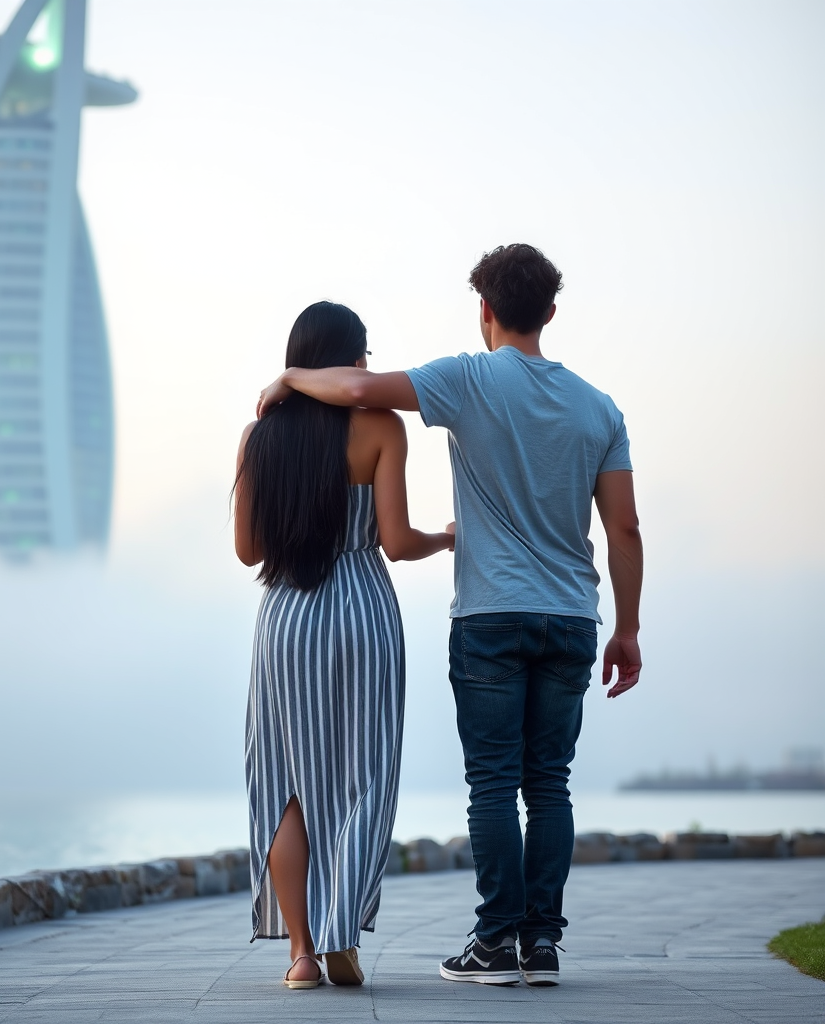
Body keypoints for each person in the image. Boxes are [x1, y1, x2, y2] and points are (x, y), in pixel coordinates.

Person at [256, 244, 643, 988]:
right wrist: (626, 627)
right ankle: (544, 944)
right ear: (551, 314)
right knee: (550, 783)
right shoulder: (601, 408)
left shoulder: (467, 377)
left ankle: (496, 943)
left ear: (485, 311)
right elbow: (624, 530)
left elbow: (361, 384)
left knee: (494, 783)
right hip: (572, 617)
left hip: (491, 617)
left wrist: (290, 376)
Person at [234, 301, 454, 990]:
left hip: (288, 615)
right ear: (349, 358)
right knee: (366, 777)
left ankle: (301, 954)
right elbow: (396, 542)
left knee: (286, 785)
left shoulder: (258, 437)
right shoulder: (380, 427)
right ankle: (341, 937)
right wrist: (448, 537)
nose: (366, 364)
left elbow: (247, 552)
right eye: (363, 353)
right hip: (362, 608)